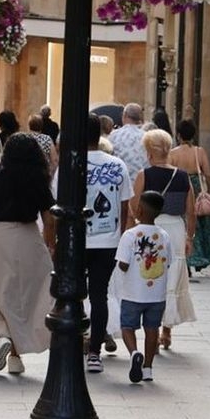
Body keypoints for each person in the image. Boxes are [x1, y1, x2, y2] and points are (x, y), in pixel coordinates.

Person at [0, 132, 56, 375]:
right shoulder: (40, 183)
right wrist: (50, 245)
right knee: (30, 296)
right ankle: (16, 357)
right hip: (29, 238)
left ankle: (2, 336)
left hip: (0, 238)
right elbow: (49, 220)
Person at [132, 129, 196, 349]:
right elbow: (191, 210)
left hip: (152, 228)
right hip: (176, 229)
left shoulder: (144, 175)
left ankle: (155, 328)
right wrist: (189, 237)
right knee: (172, 276)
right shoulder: (182, 176)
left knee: (152, 275)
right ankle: (167, 332)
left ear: (149, 152)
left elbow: (134, 207)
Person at [79, 113, 133, 373]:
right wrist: (122, 238)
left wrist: (53, 241)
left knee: (74, 293)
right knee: (99, 295)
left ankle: (78, 340)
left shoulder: (72, 165)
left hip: (77, 239)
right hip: (108, 239)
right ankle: (94, 353)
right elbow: (126, 209)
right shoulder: (117, 165)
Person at [114, 191, 172, 383]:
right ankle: (148, 368)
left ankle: (133, 353)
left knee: (127, 326)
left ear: (139, 209)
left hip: (133, 292)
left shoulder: (130, 235)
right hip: (157, 294)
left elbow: (123, 264)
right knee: (152, 329)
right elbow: (168, 262)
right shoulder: (164, 235)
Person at [169, 119, 210, 272]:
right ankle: (197, 258)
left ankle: (187, 258)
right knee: (199, 224)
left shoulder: (173, 154)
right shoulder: (199, 152)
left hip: (180, 187)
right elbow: (208, 175)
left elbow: (170, 172)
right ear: (193, 135)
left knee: (183, 222)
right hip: (196, 189)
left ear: (178, 135)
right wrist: (209, 191)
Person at [109, 103, 149, 178]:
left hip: (120, 180)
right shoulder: (147, 137)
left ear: (125, 115)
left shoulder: (114, 136)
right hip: (141, 182)